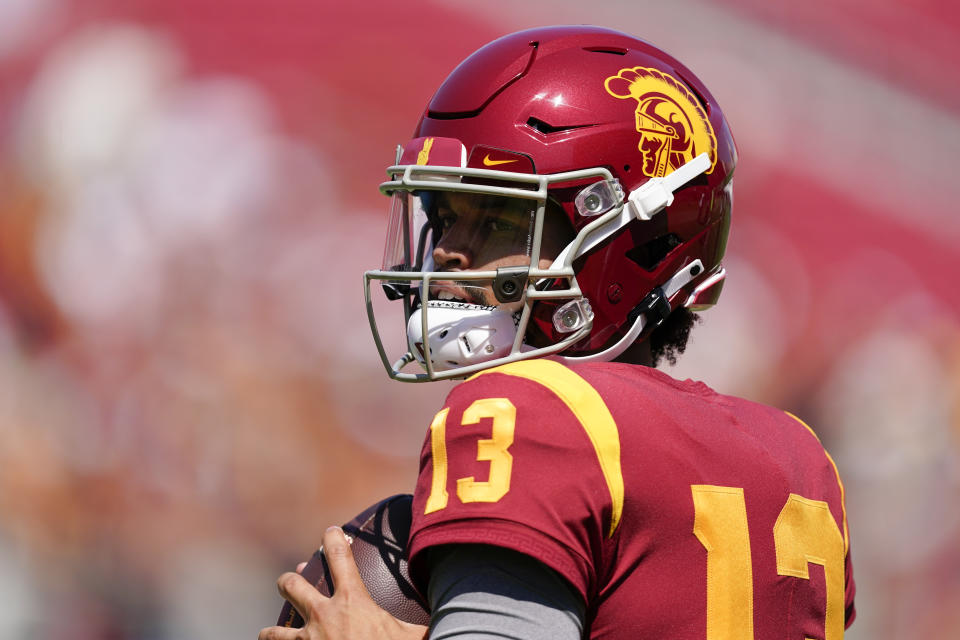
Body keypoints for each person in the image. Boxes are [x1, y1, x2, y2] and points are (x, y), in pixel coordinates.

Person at [259, 25, 855, 639]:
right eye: (445, 220)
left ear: (633, 240)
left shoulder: (536, 413)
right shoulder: (801, 461)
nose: (449, 257)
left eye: (498, 221)